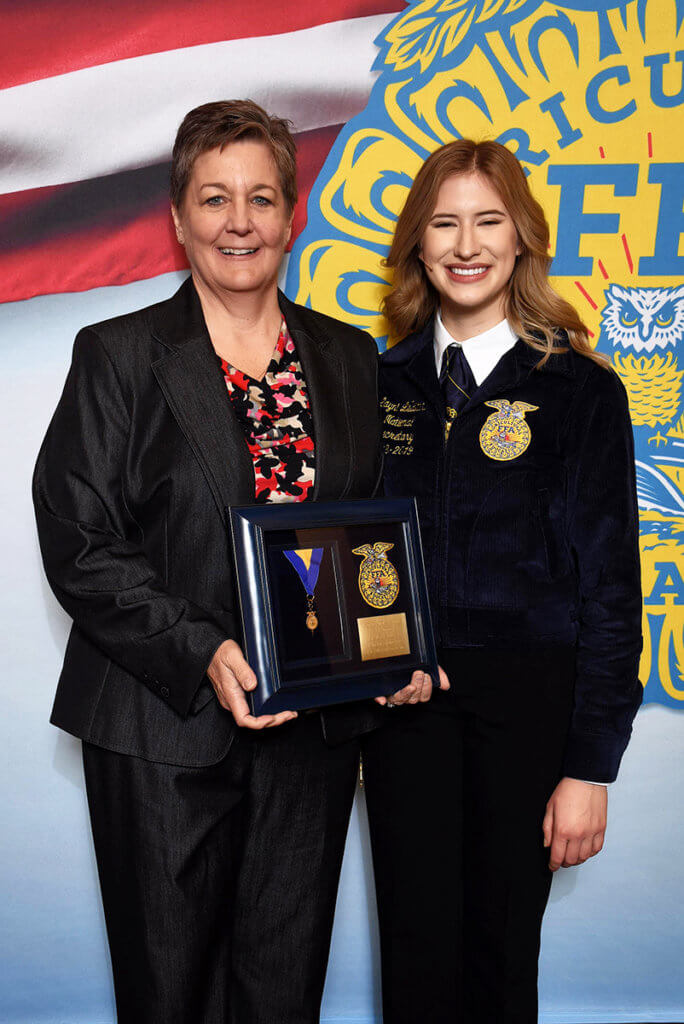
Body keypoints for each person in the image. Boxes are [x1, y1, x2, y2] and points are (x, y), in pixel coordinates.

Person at [32, 99, 436, 1024]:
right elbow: (78, 537)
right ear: (178, 218)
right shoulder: (120, 355)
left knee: (281, 991)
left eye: (261, 198)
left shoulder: (346, 356)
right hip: (160, 729)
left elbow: (371, 533)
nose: (239, 221)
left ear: (292, 214)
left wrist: (394, 643)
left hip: (312, 736)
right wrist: (205, 650)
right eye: (215, 199)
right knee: (169, 995)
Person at [361, 140, 643, 1023]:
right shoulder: (377, 383)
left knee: (497, 958)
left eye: (489, 220)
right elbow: (343, 557)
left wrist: (590, 768)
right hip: (403, 706)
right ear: (417, 243)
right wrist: (359, 681)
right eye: (443, 222)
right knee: (413, 955)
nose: (466, 243)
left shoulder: (579, 392)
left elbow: (611, 593)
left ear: (523, 239)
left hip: (529, 712)